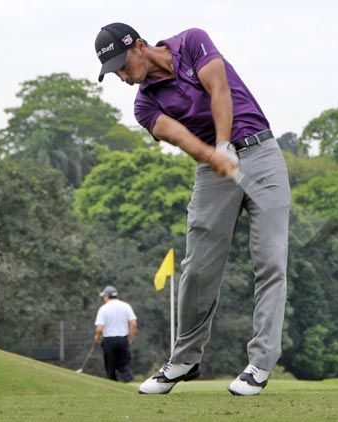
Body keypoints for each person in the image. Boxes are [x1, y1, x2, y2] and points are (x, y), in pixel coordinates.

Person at [94, 23, 290, 396]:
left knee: (270, 263)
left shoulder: (191, 42)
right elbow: (182, 137)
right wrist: (215, 155)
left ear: (139, 46)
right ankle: (185, 359)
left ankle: (261, 363)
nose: (123, 77)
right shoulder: (144, 105)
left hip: (261, 154)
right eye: (114, 72)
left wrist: (224, 142)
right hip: (212, 170)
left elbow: (219, 89)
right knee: (198, 268)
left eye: (122, 66)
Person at [94, 285, 138, 382]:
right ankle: (131, 383)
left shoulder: (103, 309)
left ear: (107, 296)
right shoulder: (126, 306)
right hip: (123, 339)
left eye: (104, 296)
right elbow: (134, 324)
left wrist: (97, 337)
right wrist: (129, 339)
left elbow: (99, 329)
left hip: (109, 341)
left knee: (110, 369)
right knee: (125, 366)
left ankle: (111, 386)